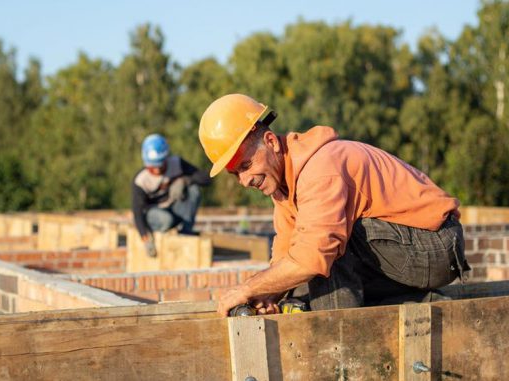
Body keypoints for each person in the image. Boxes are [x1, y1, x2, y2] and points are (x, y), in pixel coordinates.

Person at [198, 94, 470, 316]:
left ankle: (340, 351)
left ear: (270, 142)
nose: (245, 180)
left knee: (324, 249)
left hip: (436, 246)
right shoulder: (284, 188)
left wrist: (247, 288)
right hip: (404, 252)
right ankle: (422, 303)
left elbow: (310, 256)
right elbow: (284, 256)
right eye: (236, 174)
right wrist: (266, 294)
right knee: (300, 288)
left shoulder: (320, 169)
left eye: (246, 165)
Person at [132, 134, 211, 257]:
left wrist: (185, 180)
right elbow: (137, 213)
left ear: (166, 158)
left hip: (174, 209)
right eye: (153, 167)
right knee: (165, 219)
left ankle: (186, 231)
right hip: (155, 214)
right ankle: (162, 230)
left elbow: (206, 178)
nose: (157, 170)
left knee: (194, 190)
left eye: (160, 166)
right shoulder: (141, 180)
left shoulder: (177, 164)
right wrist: (145, 239)